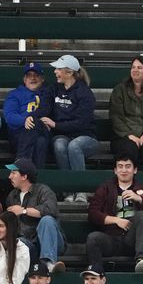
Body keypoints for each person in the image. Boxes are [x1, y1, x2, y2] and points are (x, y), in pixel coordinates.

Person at [35, 55, 96, 204]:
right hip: (62, 136)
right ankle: (68, 190)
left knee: (74, 146)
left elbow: (82, 123)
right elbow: (44, 108)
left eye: (58, 69)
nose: (55, 72)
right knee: (59, 145)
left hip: (86, 136)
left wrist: (56, 125)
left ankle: (81, 190)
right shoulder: (54, 89)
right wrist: (33, 117)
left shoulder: (85, 93)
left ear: (69, 72)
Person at [85, 154, 143, 273]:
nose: (124, 170)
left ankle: (141, 260)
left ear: (135, 170)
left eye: (128, 166)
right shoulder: (106, 188)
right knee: (93, 238)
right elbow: (93, 214)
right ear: (115, 170)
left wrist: (139, 198)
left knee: (142, 215)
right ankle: (96, 273)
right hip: (111, 238)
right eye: (120, 166)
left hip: (133, 239)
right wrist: (116, 220)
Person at [4, 158, 65, 274]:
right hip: (29, 243)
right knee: (19, 241)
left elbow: (51, 210)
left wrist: (23, 211)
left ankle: (49, 264)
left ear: (24, 176)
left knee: (47, 220)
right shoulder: (12, 196)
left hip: (52, 241)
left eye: (13, 173)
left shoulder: (43, 191)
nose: (9, 177)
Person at [109, 57, 143, 172]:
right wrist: (129, 135)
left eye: (139, 67)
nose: (135, 70)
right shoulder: (120, 90)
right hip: (123, 136)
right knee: (130, 147)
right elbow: (116, 117)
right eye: (133, 67)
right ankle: (128, 185)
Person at [3, 63, 48, 168]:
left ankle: (19, 164)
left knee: (35, 122)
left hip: (44, 130)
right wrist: (25, 120)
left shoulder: (48, 93)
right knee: (40, 142)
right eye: (29, 75)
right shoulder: (14, 94)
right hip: (19, 135)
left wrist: (31, 119)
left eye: (36, 75)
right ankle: (37, 178)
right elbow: (9, 116)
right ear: (24, 79)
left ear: (42, 79)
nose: (32, 78)